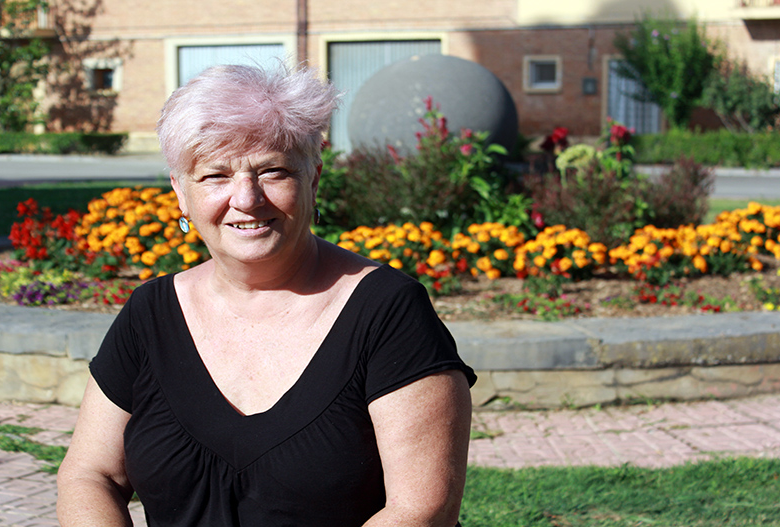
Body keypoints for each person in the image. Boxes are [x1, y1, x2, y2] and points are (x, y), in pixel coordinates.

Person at [56, 64, 476, 527]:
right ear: (180, 193)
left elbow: (421, 509)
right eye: (215, 176)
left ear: (312, 178)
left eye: (272, 171)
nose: (247, 198)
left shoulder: (387, 311)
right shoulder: (149, 314)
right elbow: (88, 475)